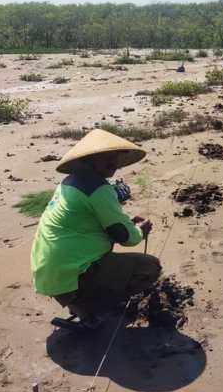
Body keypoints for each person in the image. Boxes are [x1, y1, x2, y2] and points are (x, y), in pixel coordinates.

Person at [30, 129, 160, 328]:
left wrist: (129, 223)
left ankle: (83, 305)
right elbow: (127, 238)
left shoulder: (69, 182)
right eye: (106, 157)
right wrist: (140, 230)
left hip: (50, 275)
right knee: (149, 266)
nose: (113, 163)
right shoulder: (98, 189)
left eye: (115, 157)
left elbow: (90, 223)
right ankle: (94, 308)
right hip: (70, 276)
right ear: (89, 159)